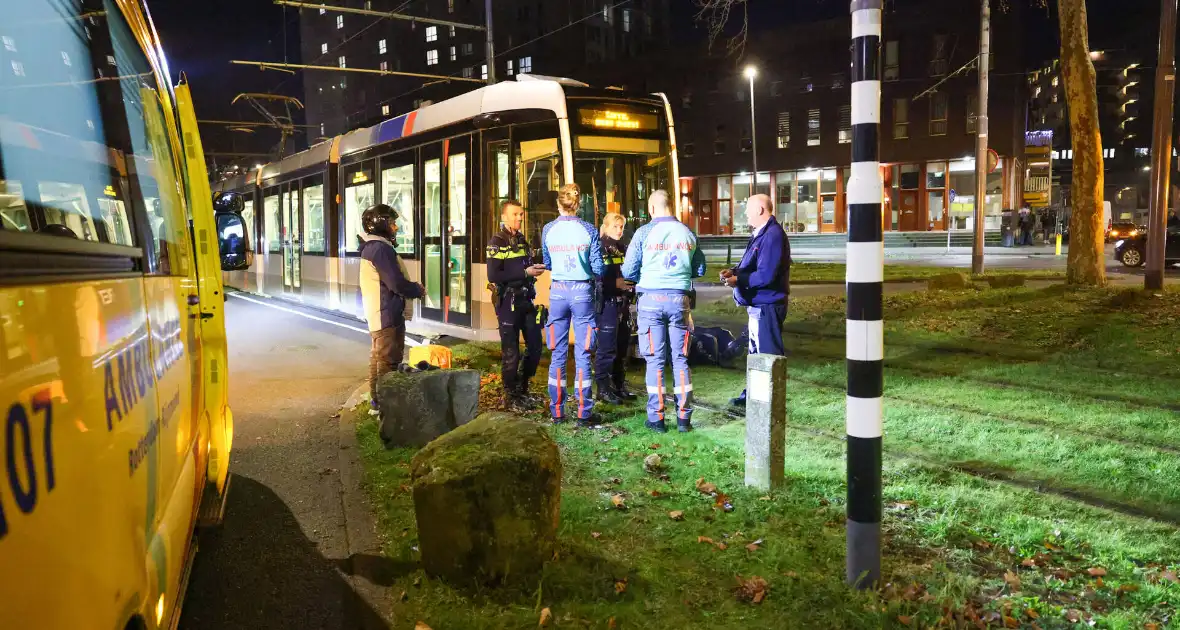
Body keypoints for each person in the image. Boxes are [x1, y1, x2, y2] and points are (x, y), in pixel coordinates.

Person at [622, 190, 707, 433]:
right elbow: (699, 268)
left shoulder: (644, 232)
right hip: (679, 301)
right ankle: (684, 419)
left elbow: (628, 271)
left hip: (650, 300)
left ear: (651, 208)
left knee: (655, 360)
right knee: (680, 359)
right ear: (672, 206)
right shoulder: (687, 231)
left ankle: (657, 419)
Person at [541, 183, 604, 425]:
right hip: (582, 293)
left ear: (559, 204)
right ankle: (584, 413)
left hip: (557, 292)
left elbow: (547, 262)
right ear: (578, 205)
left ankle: (557, 412)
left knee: (557, 353)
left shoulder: (548, 230)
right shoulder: (588, 229)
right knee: (583, 354)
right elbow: (598, 268)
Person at [721, 194, 791, 409]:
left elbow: (766, 275)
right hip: (760, 305)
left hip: (767, 305)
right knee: (756, 353)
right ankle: (754, 395)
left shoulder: (772, 236)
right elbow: (755, 265)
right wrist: (734, 271)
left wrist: (737, 280)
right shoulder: (763, 234)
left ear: (761, 210)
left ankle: (768, 401)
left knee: (766, 355)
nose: (745, 214)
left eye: (747, 209)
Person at [358, 204, 424, 410]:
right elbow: (396, 283)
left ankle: (376, 403)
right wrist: (416, 289)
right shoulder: (380, 249)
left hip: (379, 313)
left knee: (378, 359)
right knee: (389, 361)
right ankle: (387, 409)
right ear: (382, 224)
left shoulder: (371, 247)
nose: (396, 228)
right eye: (393, 223)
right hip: (387, 314)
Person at [486, 199, 547, 411]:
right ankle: (511, 395)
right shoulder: (497, 241)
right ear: (504, 217)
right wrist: (524, 273)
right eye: (515, 214)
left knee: (536, 346)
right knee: (511, 351)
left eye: (521, 214)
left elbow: (525, 265)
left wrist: (534, 267)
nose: (520, 218)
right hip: (508, 302)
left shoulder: (521, 240)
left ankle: (522, 388)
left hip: (525, 300)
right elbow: (493, 274)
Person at [594, 212, 637, 404]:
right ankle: (603, 389)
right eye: (615, 227)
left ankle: (619, 386)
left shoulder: (624, 247)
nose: (619, 230)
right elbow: (597, 280)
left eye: (621, 227)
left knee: (622, 346)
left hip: (623, 303)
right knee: (606, 348)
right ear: (606, 227)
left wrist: (630, 286)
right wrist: (616, 284)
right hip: (607, 303)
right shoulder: (600, 247)